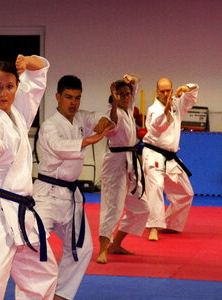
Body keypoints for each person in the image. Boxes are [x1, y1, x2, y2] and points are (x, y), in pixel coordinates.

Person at [0, 55, 58, 299]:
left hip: (21, 211)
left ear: (17, 88)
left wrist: (28, 61)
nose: (3, 92)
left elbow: (39, 74)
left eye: (9, 86)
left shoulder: (18, 112)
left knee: (42, 272)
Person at [32, 75, 113, 299]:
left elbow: (99, 118)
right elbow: (59, 148)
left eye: (77, 98)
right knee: (33, 247)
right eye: (68, 97)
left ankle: (60, 295)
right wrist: (88, 140)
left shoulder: (80, 120)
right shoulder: (49, 126)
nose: (73, 102)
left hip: (70, 197)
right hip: (46, 196)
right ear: (58, 97)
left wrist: (107, 119)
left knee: (83, 249)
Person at [96, 75, 150, 264]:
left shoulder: (128, 110)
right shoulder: (112, 112)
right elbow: (111, 123)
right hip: (115, 163)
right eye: (121, 94)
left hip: (130, 163)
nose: (126, 97)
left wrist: (131, 78)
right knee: (114, 208)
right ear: (114, 96)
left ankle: (116, 244)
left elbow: (136, 83)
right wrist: (114, 102)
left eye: (127, 94)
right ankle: (103, 249)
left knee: (142, 208)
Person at [142, 78, 199, 241]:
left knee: (186, 193)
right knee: (156, 188)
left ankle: (170, 223)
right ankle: (154, 226)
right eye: (162, 91)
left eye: (169, 91)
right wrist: (166, 110)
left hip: (170, 157)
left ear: (172, 90)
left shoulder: (176, 104)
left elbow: (192, 95)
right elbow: (157, 127)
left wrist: (186, 88)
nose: (166, 94)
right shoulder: (154, 109)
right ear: (157, 92)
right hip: (153, 154)